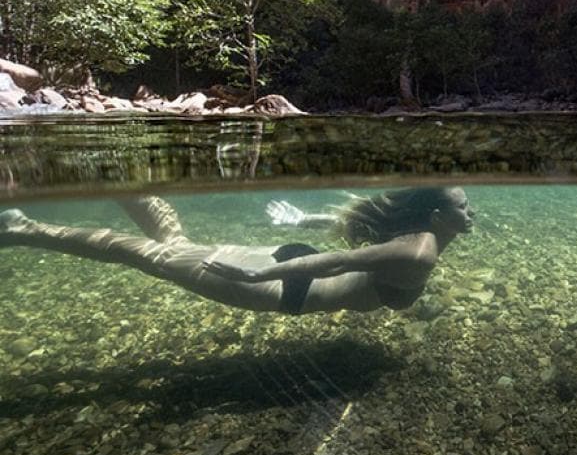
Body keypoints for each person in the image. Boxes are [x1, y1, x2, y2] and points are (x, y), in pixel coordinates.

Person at [0, 187, 474, 315]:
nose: (471, 212)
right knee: (140, 253)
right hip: (285, 284)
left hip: (291, 262)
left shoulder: (419, 236)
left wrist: (301, 221)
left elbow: (362, 228)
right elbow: (339, 261)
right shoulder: (419, 253)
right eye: (463, 205)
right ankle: (24, 226)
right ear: (435, 216)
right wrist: (254, 278)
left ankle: (118, 182)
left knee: (172, 246)